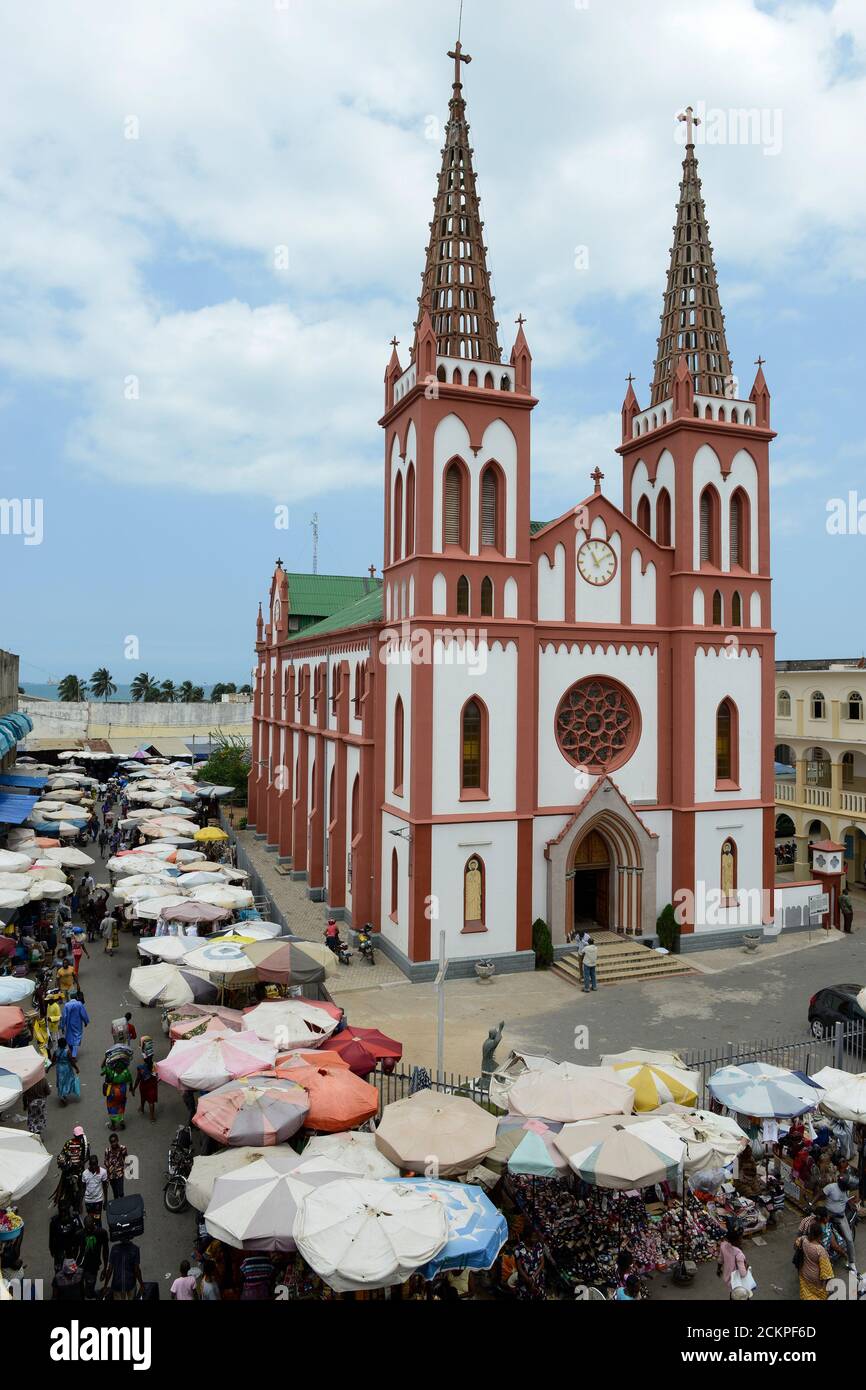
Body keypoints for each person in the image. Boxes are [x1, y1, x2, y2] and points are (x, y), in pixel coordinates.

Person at [823, 1173, 859, 1267]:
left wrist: (851, 1204)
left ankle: (851, 1262)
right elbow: (820, 1194)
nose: (848, 1188)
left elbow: (845, 1200)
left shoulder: (846, 1191)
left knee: (849, 1239)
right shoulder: (830, 1187)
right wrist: (811, 1203)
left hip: (840, 1216)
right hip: (827, 1215)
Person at [795, 1218, 833, 1300]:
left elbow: (796, 1244)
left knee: (806, 1293)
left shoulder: (803, 1240)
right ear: (820, 1235)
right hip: (815, 1278)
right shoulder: (820, 1250)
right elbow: (827, 1273)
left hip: (803, 1272)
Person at [80, 1214, 109, 1299]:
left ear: (94, 1224)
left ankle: (91, 1293)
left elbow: (105, 1251)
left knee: (89, 1291)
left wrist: (105, 1267)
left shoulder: (101, 1233)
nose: (88, 1230)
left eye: (90, 1227)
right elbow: (74, 1250)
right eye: (86, 1228)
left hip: (93, 1266)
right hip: (80, 1265)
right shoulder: (80, 1233)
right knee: (79, 1290)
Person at [101, 1054, 133, 1130]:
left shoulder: (110, 1071)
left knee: (111, 1106)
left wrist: (105, 1057)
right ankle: (121, 1121)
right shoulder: (125, 1071)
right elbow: (130, 1081)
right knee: (121, 1105)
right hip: (122, 1091)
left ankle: (113, 1125)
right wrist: (131, 1088)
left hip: (112, 1091)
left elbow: (102, 1067)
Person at [717, 1229, 751, 1299]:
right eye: (741, 1238)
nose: (742, 1240)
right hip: (738, 1283)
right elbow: (743, 1274)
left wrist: (718, 1269)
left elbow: (720, 1259)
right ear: (736, 1241)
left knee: (732, 1295)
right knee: (741, 1296)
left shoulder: (723, 1245)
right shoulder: (739, 1254)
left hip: (729, 1279)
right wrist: (747, 1266)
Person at [48, 1206, 84, 1271]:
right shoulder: (54, 1221)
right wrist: (51, 1249)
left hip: (70, 1250)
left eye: (64, 1212)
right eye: (61, 1212)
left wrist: (78, 1249)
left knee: (71, 1270)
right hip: (59, 1250)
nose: (63, 1214)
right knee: (59, 1270)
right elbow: (51, 1236)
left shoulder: (74, 1220)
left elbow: (81, 1234)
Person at [131, 1051, 159, 1122]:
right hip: (152, 1086)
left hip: (144, 1086)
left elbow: (138, 1079)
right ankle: (152, 1117)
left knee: (143, 1097)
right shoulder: (155, 1065)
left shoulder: (141, 1068)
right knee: (151, 1101)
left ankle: (142, 1109)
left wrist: (134, 1088)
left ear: (144, 1060)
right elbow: (157, 1076)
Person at [60, 995, 89, 1060]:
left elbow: (64, 1016)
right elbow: (83, 1014)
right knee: (77, 1038)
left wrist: (62, 1026)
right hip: (77, 1024)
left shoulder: (66, 1005)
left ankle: (72, 1052)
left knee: (69, 1038)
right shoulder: (79, 1004)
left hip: (69, 1024)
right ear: (76, 997)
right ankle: (74, 1055)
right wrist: (85, 1021)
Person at [54, 1037, 81, 1106]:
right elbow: (71, 1061)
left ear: (58, 1044)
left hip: (59, 1069)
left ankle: (62, 1095)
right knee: (68, 1081)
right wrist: (76, 1068)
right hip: (67, 1068)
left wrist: (48, 1068)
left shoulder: (56, 1051)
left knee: (61, 1082)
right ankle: (64, 1094)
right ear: (65, 1044)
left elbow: (53, 1061)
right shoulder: (67, 1051)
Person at [82, 1155, 108, 1220]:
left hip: (98, 1201)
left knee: (97, 1219)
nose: (93, 1167)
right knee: (90, 1219)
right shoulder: (85, 1173)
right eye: (92, 1165)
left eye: (95, 1164)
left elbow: (105, 1187)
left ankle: (98, 1229)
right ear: (89, 1164)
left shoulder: (103, 1172)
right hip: (88, 1201)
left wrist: (105, 1201)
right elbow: (83, 1188)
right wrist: (80, 1203)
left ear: (97, 1163)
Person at [104, 1133, 128, 1199]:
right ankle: (117, 1207)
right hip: (112, 1175)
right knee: (115, 1193)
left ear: (117, 1140)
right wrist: (109, 1169)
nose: (113, 1143)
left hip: (119, 1174)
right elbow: (106, 1162)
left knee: (121, 1192)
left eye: (114, 1141)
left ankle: (123, 1206)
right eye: (111, 1142)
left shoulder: (122, 1148)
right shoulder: (107, 1151)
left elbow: (126, 1158)